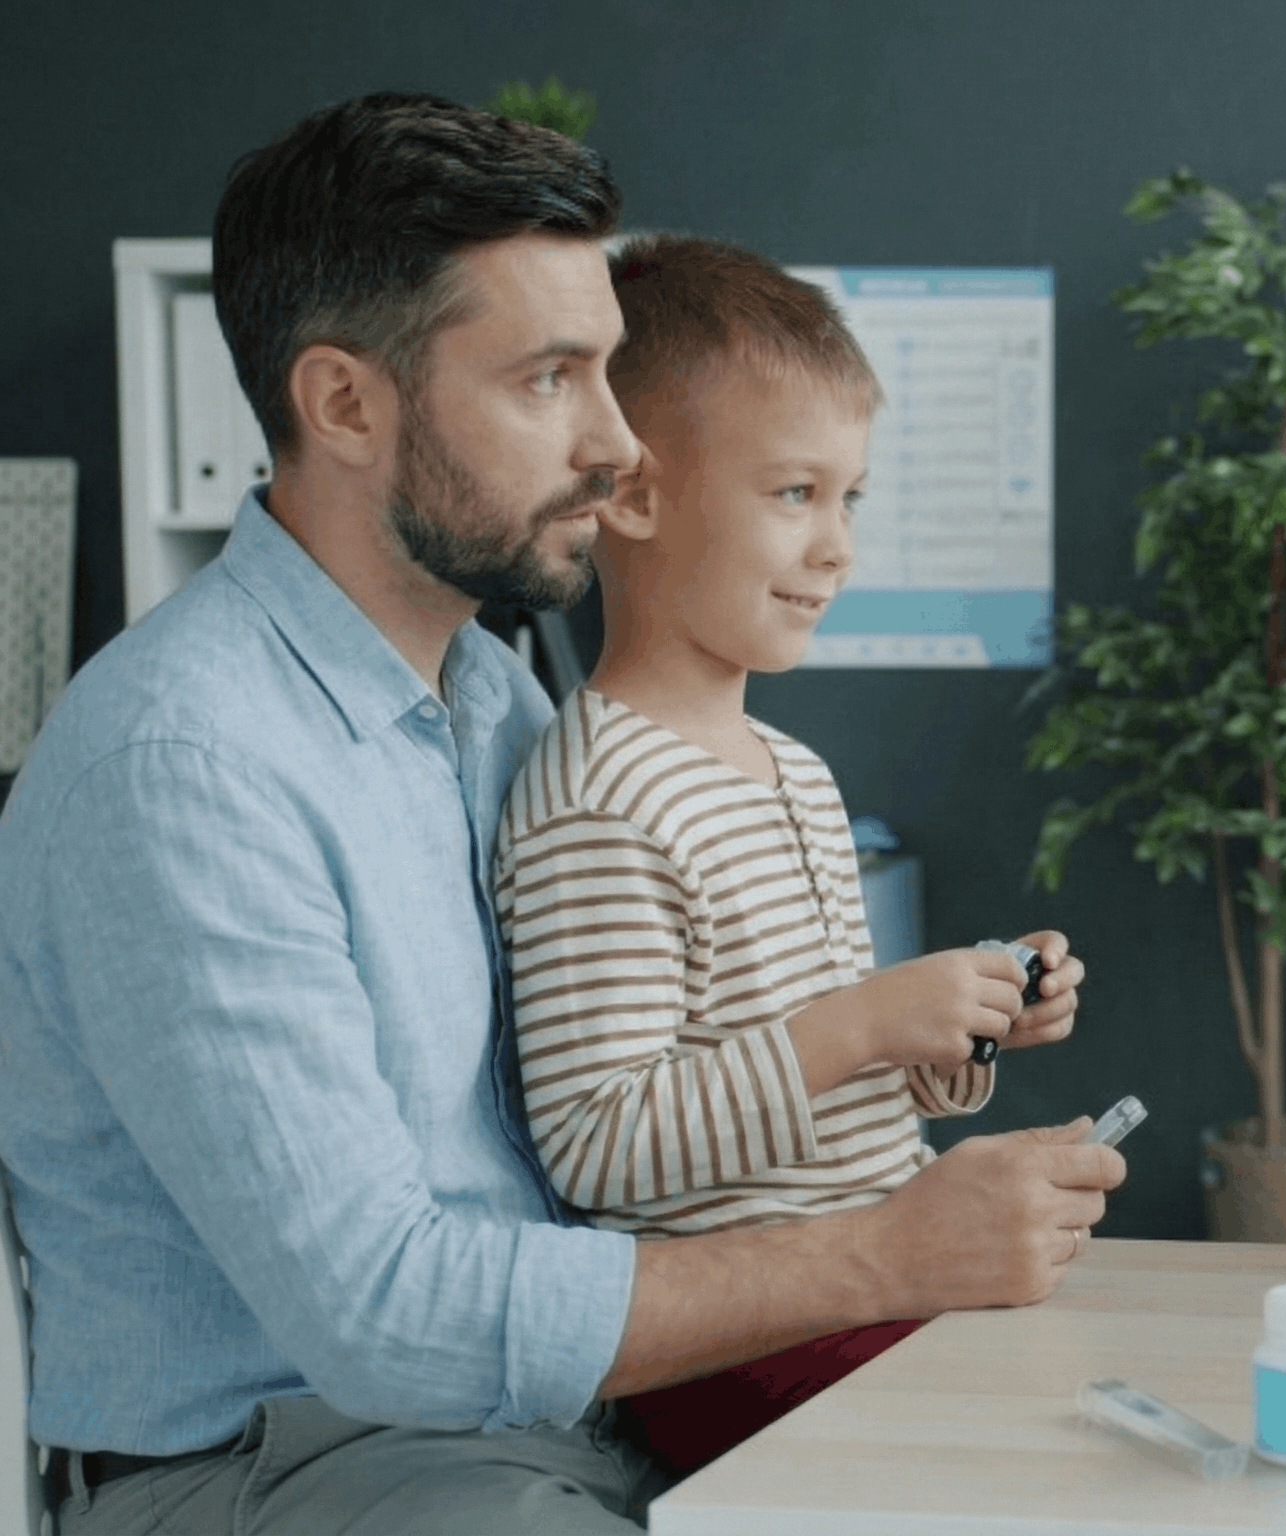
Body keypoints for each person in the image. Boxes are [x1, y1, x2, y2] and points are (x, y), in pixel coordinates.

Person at [0, 92, 1122, 1535]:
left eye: (607, 372)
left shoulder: (493, 701)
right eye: (549, 380)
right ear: (345, 404)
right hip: (293, 1463)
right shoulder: (181, 768)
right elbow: (385, 1313)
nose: (613, 444)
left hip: (561, 1417)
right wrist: (887, 1254)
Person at [496, 233, 1086, 1474]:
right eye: (793, 494)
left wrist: (957, 1028)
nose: (838, 547)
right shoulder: (597, 800)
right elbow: (605, 1146)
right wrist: (870, 1022)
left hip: (870, 1287)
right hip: (743, 1350)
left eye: (849, 497)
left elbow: (831, 1094)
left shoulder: (795, 774)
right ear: (637, 497)